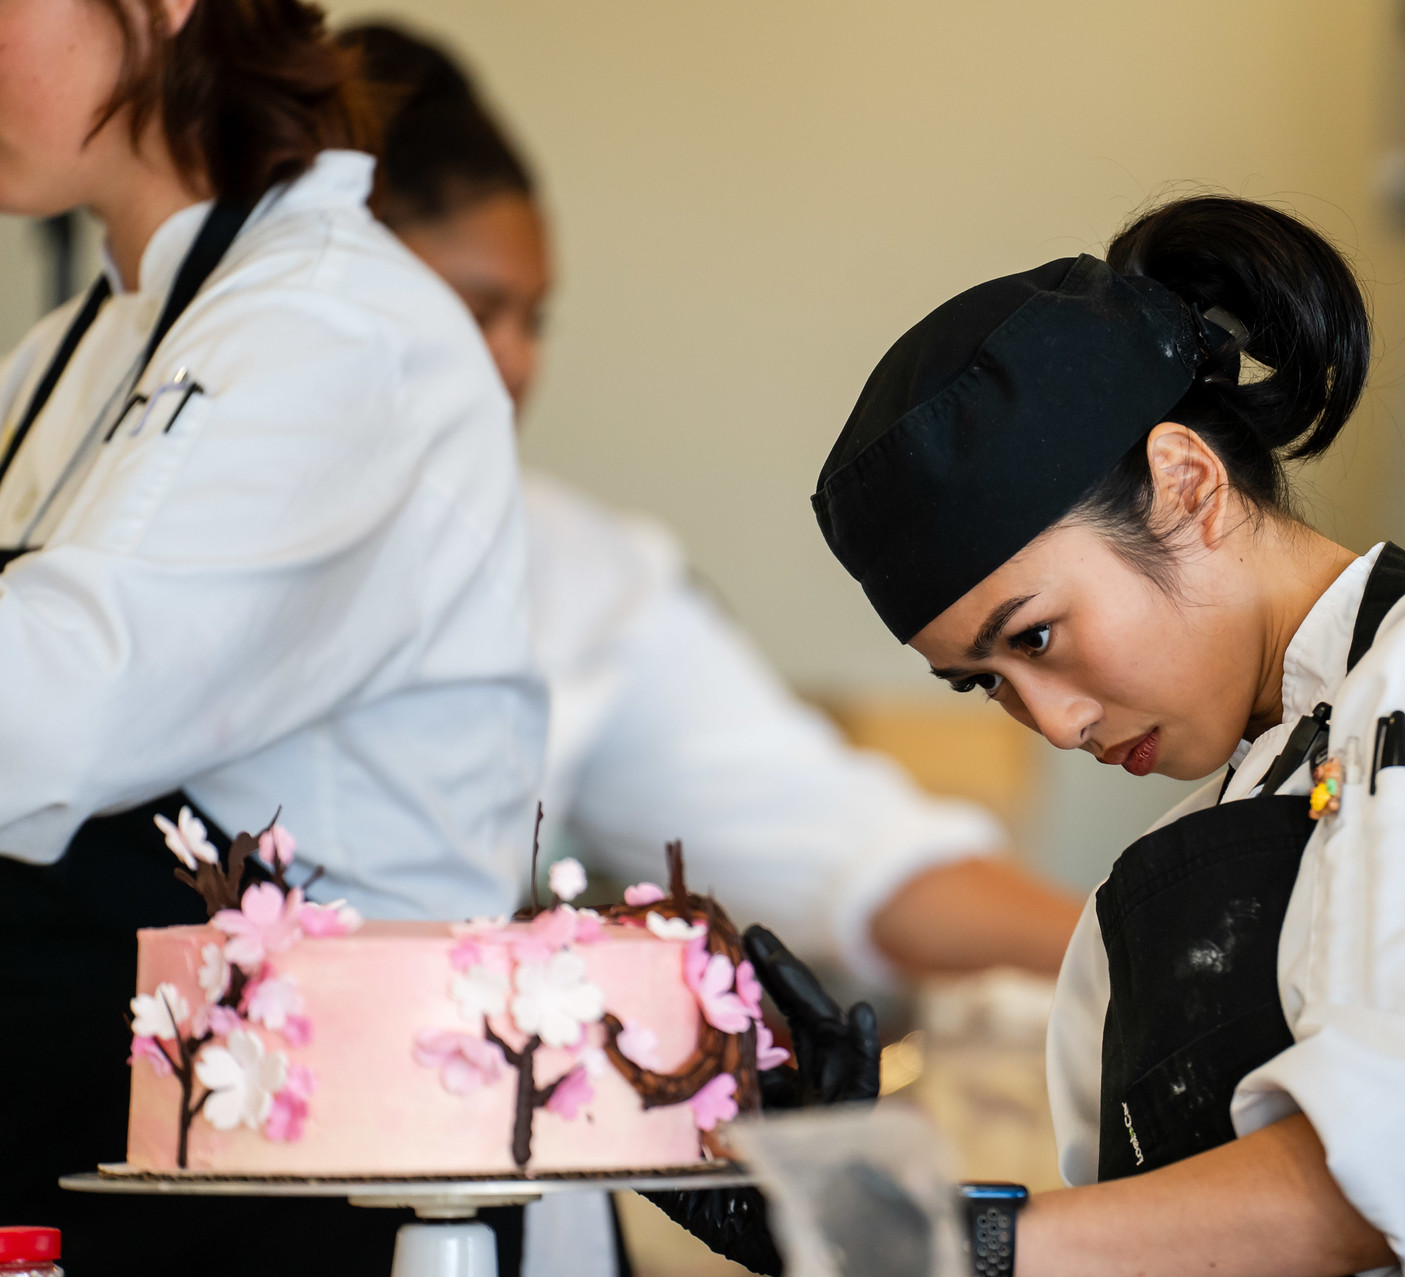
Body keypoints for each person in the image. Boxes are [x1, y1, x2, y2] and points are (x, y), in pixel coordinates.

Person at [667, 196, 1405, 1277]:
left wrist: (944, 1235)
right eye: (983, 683)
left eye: (1034, 637)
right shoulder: (1129, 911)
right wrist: (833, 1224)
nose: (1050, 722)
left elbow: (1378, 1179)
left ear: (1184, 483)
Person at [0, 0, 545, 1277]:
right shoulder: (69, 351)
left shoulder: (340, 330)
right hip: (102, 1173)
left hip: (313, 1227)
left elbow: (46, 718)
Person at [337, 23, 1083, 986]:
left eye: (533, 318)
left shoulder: (581, 578)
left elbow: (843, 845)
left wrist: (1145, 957)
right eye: (474, 312)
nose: (516, 362)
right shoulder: (183, 524)